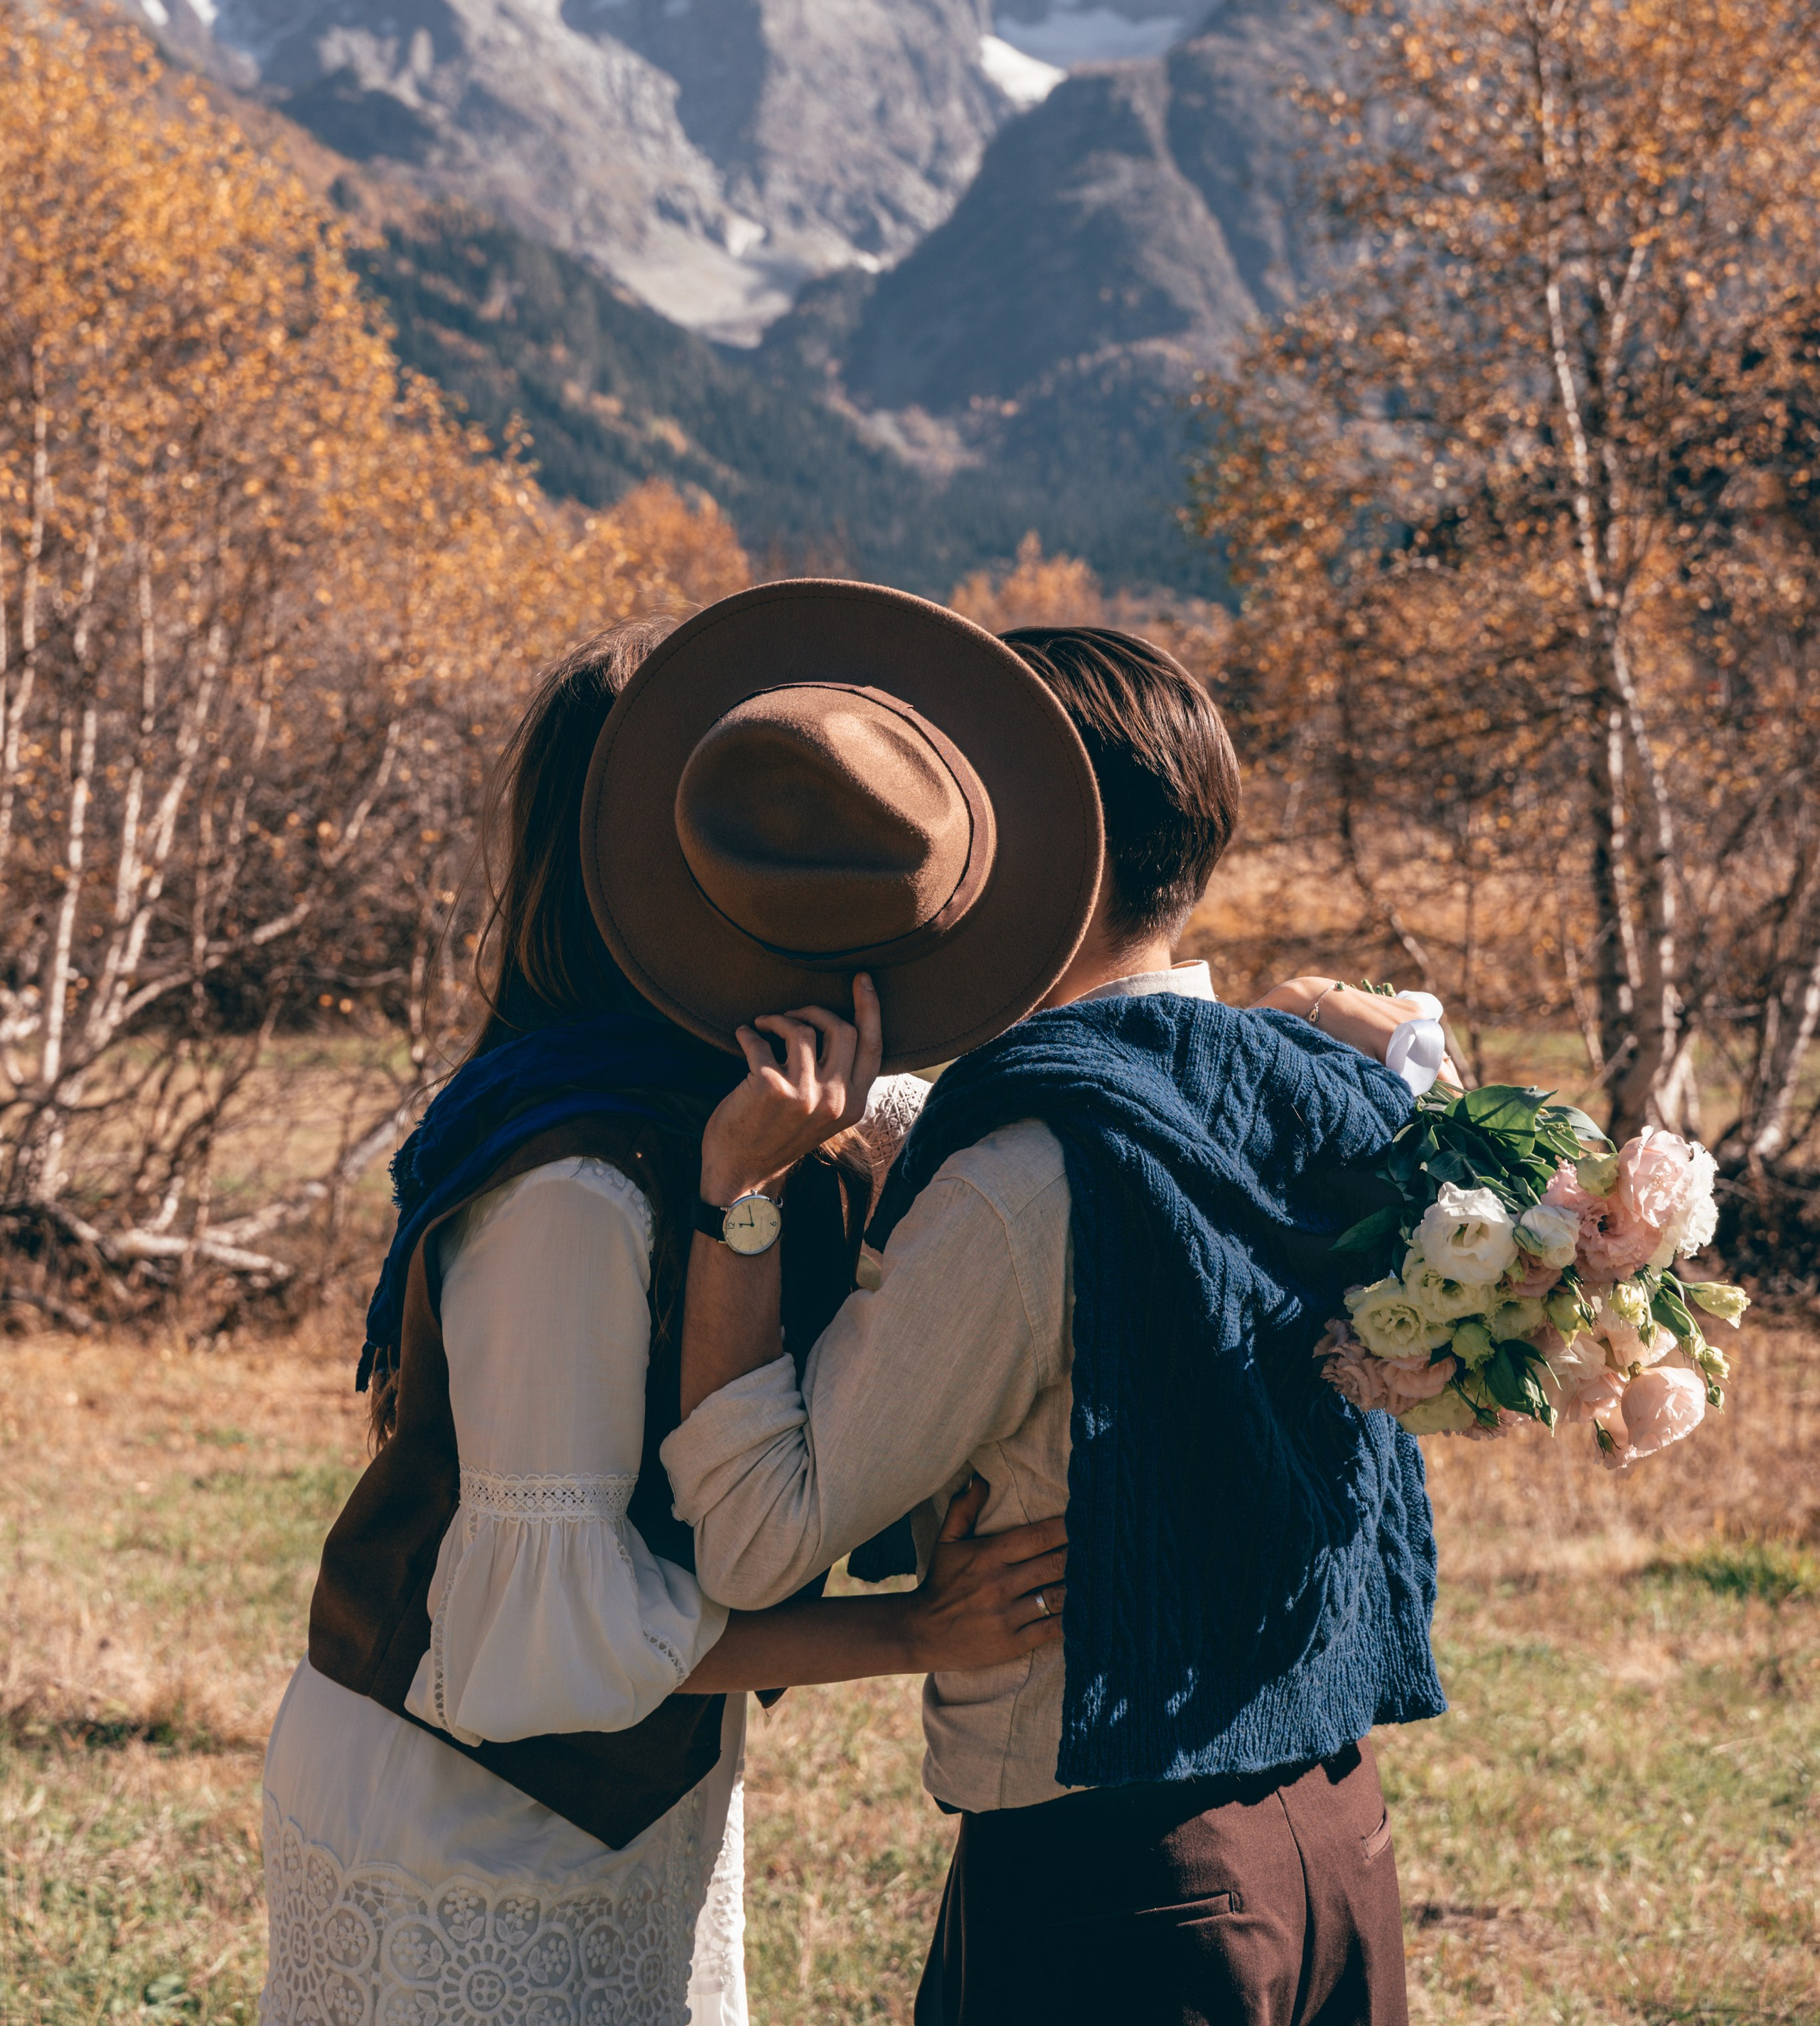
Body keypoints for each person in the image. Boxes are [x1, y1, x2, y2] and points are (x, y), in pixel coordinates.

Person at [259, 609, 1076, 2026]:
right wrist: (912, 1633)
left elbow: (1002, 1120)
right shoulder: (573, 1194)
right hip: (473, 1808)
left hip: (638, 1789)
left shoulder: (731, 1100)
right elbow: (539, 1650)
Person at [663, 623, 1449, 2026]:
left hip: (1121, 1887)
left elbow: (755, 1532)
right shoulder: (1332, 1100)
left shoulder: (1024, 1174)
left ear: (1025, 861)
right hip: (1334, 1839)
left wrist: (739, 1194)